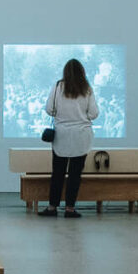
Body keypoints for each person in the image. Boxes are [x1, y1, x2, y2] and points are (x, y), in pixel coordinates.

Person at [41, 56, 100, 218]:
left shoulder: (58, 86)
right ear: (82, 72)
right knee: (75, 175)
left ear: (65, 72)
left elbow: (49, 109)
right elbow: (94, 113)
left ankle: (52, 207)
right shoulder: (87, 88)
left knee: (57, 173)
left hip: (61, 136)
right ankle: (70, 209)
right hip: (81, 136)